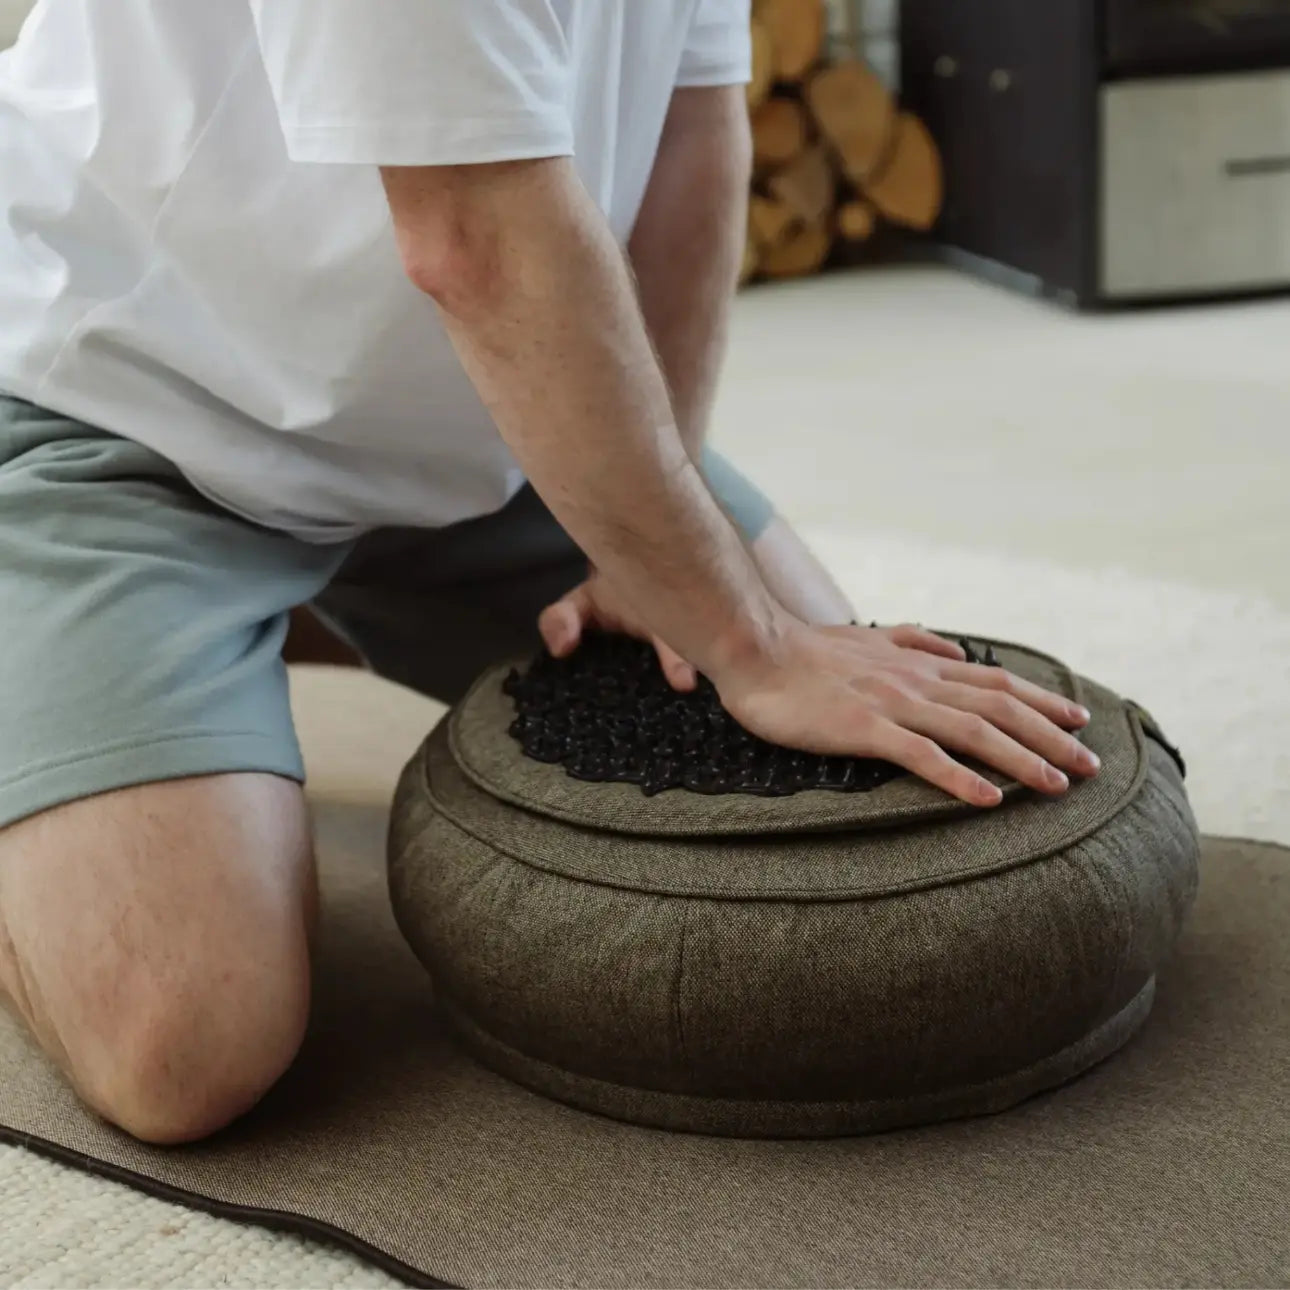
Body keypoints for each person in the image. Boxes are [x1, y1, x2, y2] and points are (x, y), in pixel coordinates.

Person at [0, 0, 1100, 1146]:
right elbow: (471, 235)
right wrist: (749, 643)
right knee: (186, 1047)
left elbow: (695, 128)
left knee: (837, 800)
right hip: (120, 410)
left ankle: (245, 651)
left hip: (478, 421)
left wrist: (652, 550)